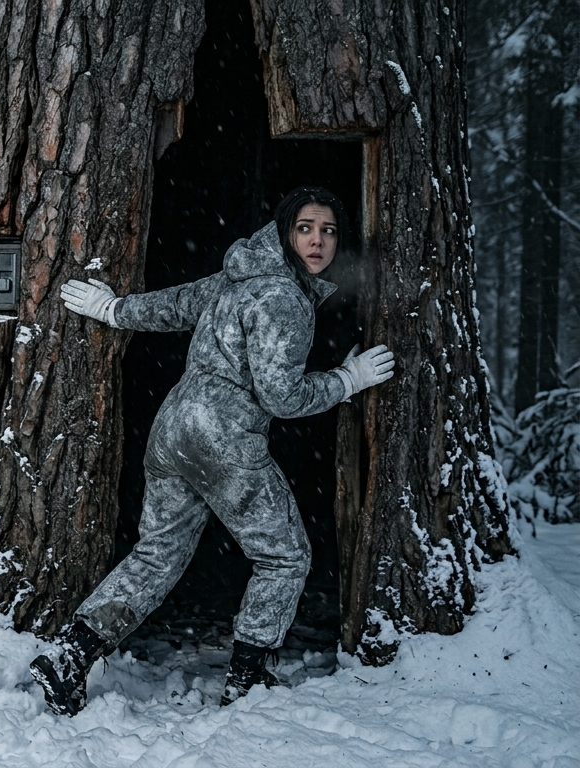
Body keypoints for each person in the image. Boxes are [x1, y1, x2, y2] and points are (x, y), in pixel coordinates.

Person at [32, 186, 395, 715]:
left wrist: (112, 309)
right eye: (305, 229)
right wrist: (347, 379)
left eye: (329, 231)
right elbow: (281, 396)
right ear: (284, 233)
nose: (318, 241)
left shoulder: (241, 274)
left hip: (174, 428)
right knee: (285, 558)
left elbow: (177, 305)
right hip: (224, 438)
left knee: (157, 554)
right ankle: (247, 683)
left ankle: (69, 656)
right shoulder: (284, 298)